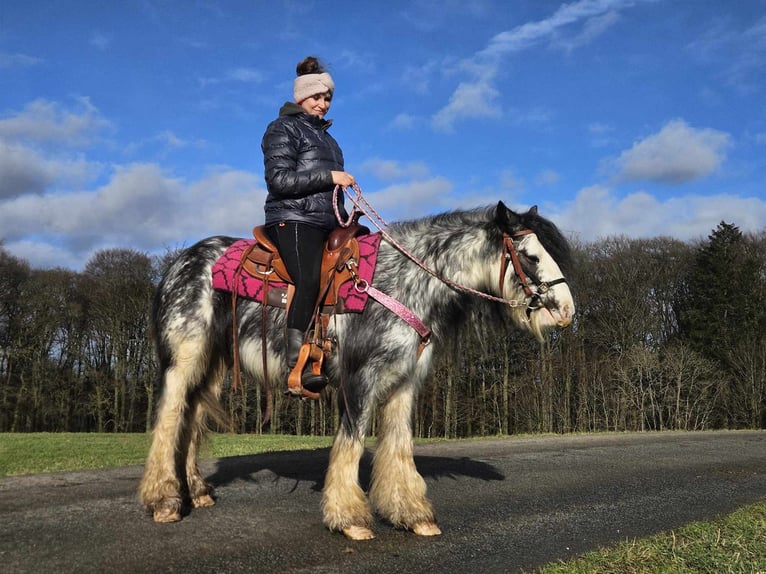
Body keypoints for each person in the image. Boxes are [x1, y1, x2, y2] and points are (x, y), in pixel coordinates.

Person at [261, 56, 355, 391]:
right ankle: (295, 362)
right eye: (317, 97)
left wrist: (345, 216)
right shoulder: (282, 129)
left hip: (325, 222)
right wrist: (330, 176)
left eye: (327, 98)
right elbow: (280, 180)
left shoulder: (330, 141)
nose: (323, 103)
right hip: (292, 218)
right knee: (309, 278)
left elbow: (329, 194)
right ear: (301, 97)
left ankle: (332, 350)